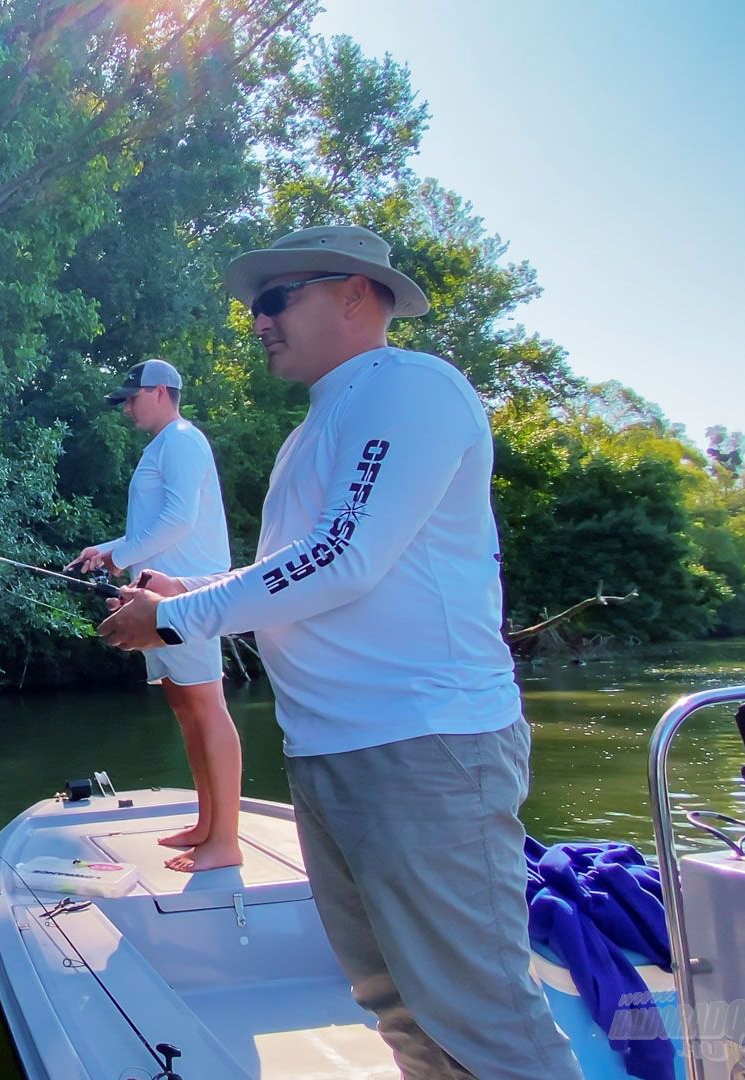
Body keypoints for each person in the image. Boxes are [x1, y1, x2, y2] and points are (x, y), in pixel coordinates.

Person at [97, 225, 582, 1079]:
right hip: (331, 754)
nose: (258, 323)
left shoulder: (414, 389)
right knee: (393, 1004)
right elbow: (307, 559)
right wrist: (186, 595)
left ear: (357, 293)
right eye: (256, 307)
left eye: (276, 301)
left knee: (483, 1022)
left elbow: (345, 557)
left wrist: (177, 621)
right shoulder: (321, 422)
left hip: (422, 749)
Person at [67, 359, 242, 872]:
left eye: (131, 397)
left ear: (161, 391)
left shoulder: (183, 440)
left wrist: (121, 558)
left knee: (207, 708)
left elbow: (179, 519)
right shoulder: (163, 445)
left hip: (186, 599)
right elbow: (154, 525)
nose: (125, 407)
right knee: (186, 710)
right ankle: (207, 822)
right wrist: (109, 549)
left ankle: (225, 841)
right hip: (156, 598)